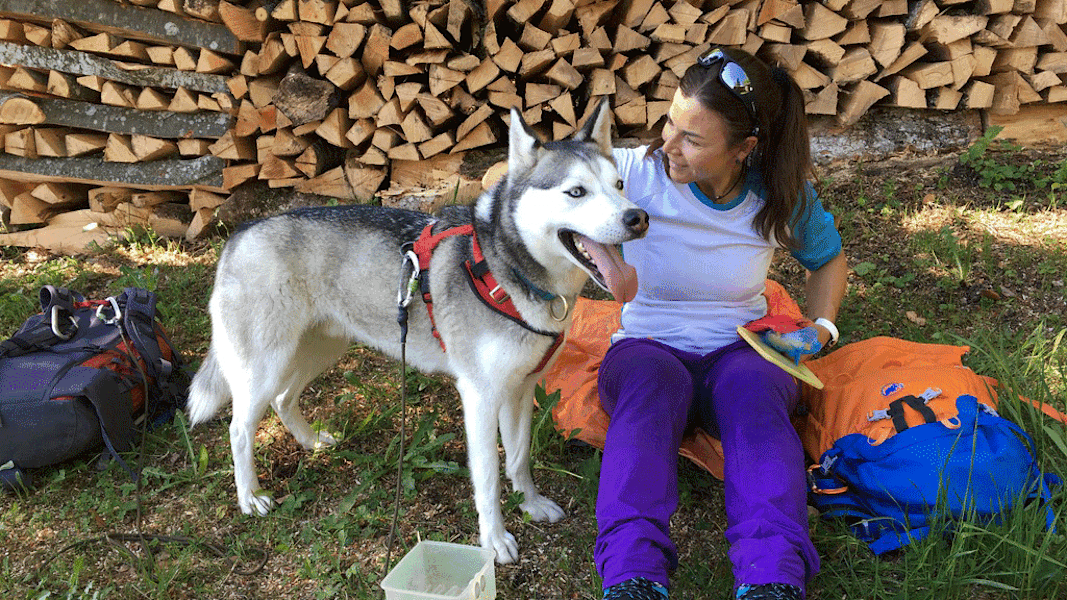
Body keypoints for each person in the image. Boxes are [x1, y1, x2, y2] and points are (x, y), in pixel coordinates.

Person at [595, 47, 849, 600]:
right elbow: (532, 186)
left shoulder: (777, 194)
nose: (667, 145)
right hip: (648, 343)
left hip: (741, 347)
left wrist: (821, 329)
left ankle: (772, 578)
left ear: (744, 150)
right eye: (670, 122)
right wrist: (603, 261)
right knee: (651, 387)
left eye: (693, 139)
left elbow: (827, 259)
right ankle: (631, 575)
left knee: (756, 397)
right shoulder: (630, 174)